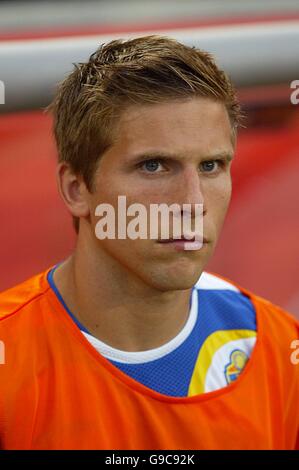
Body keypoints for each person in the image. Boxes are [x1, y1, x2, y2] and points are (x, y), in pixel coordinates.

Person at [0, 35, 298, 450]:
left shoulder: (282, 350)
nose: (192, 202)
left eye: (211, 165)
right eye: (154, 166)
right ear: (76, 188)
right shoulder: (8, 360)